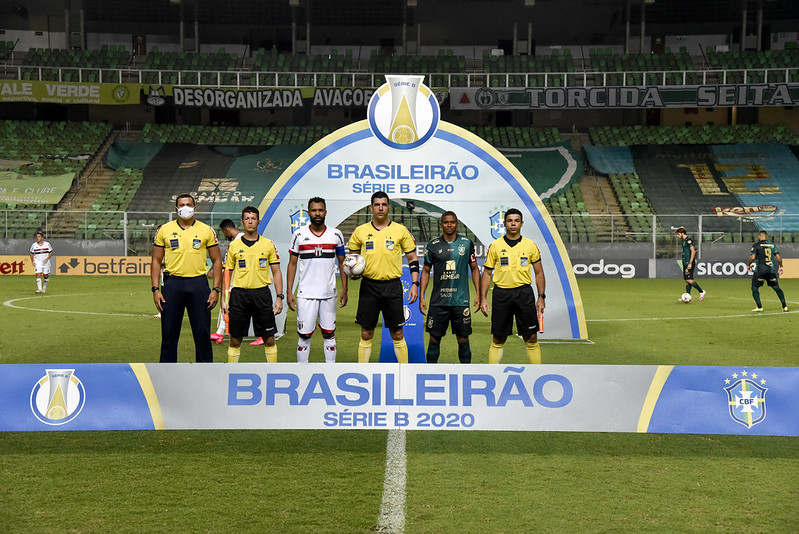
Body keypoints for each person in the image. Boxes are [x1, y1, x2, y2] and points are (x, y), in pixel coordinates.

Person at [348, 191, 419, 363]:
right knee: (366, 333)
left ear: (388, 207)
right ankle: (362, 372)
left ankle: (404, 372)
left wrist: (415, 284)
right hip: (369, 287)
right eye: (377, 205)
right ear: (371, 207)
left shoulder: (400, 230)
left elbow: (413, 259)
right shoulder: (360, 231)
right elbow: (352, 260)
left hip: (393, 287)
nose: (380, 208)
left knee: (397, 333)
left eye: (384, 204)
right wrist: (353, 273)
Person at [151, 194, 222, 363]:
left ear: (195, 208)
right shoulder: (164, 230)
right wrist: (155, 289)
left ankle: (204, 372)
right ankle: (167, 372)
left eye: (189, 204)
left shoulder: (206, 230)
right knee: (169, 334)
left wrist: (215, 289)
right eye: (182, 204)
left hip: (198, 284)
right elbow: (155, 260)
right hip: (172, 284)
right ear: (176, 209)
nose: (185, 207)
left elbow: (217, 260)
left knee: (202, 334)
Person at [479, 208, 545, 364]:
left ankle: (537, 374)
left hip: (524, 294)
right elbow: (487, 273)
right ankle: (492, 374)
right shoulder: (495, 246)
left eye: (516, 221)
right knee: (498, 337)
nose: (513, 224)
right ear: (504, 223)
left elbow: (539, 273)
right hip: (502, 294)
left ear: (521, 223)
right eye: (510, 221)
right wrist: (483, 298)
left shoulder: (530, 246)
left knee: (531, 337)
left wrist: (541, 297)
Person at [286, 197, 348, 363]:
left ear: (325, 212)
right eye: (314, 210)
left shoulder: (336, 235)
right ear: (308, 213)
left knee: (329, 334)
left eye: (320, 210)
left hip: (329, 294)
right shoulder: (299, 234)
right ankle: (302, 371)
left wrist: (345, 289)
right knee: (304, 336)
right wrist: (289, 291)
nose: (317, 213)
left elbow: (342, 263)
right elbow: (292, 264)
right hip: (306, 294)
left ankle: (330, 370)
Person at [222, 205, 284, 363]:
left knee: (269, 339)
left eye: (253, 219)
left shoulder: (268, 244)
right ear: (242, 222)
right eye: (247, 219)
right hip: (239, 296)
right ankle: (232, 372)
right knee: (235, 340)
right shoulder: (234, 246)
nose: (250, 221)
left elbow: (276, 271)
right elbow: (227, 272)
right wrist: (224, 298)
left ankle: (273, 373)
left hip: (262, 295)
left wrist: (279, 297)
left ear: (259, 222)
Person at [419, 211, 480, 363]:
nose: (449, 225)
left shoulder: (466, 243)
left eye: (452, 222)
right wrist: (422, 297)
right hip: (438, 302)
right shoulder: (433, 245)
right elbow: (426, 271)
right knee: (434, 339)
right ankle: (430, 372)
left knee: (463, 339)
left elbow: (474, 269)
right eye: (446, 222)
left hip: (460, 301)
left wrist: (479, 294)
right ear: (441, 225)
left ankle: (465, 373)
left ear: (457, 224)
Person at [211, 219, 244, 344]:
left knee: (226, 305)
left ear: (227, 230)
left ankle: (220, 333)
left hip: (236, 280)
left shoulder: (237, 242)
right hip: (236, 280)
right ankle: (220, 332)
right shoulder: (240, 240)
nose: (225, 235)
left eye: (224, 232)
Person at [747, 230, 789, 312]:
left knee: (755, 287)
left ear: (759, 236)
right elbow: (778, 257)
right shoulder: (772, 245)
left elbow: (752, 257)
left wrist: (748, 265)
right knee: (776, 288)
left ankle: (759, 307)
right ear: (766, 236)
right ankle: (784, 306)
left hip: (760, 270)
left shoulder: (756, 245)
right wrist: (781, 266)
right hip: (771, 270)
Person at [674, 226, 705, 301]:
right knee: (687, 280)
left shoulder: (688, 241)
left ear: (682, 233)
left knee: (689, 279)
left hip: (689, 263)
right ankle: (687, 296)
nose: (677, 236)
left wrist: (690, 263)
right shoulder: (684, 241)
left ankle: (701, 291)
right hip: (685, 262)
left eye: (678, 234)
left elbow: (693, 251)